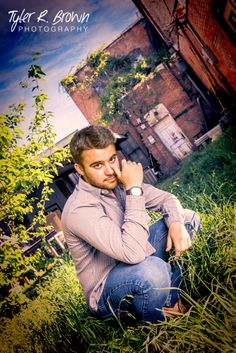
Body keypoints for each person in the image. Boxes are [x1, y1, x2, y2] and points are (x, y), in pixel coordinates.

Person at [62, 125, 200, 324]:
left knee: (188, 219)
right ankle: (156, 323)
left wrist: (176, 223)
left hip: (134, 259)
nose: (110, 171)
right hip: (108, 289)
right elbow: (133, 254)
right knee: (151, 270)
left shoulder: (116, 182)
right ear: (80, 169)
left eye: (111, 159)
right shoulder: (79, 209)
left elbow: (168, 200)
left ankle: (169, 303)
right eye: (98, 165)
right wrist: (134, 189)